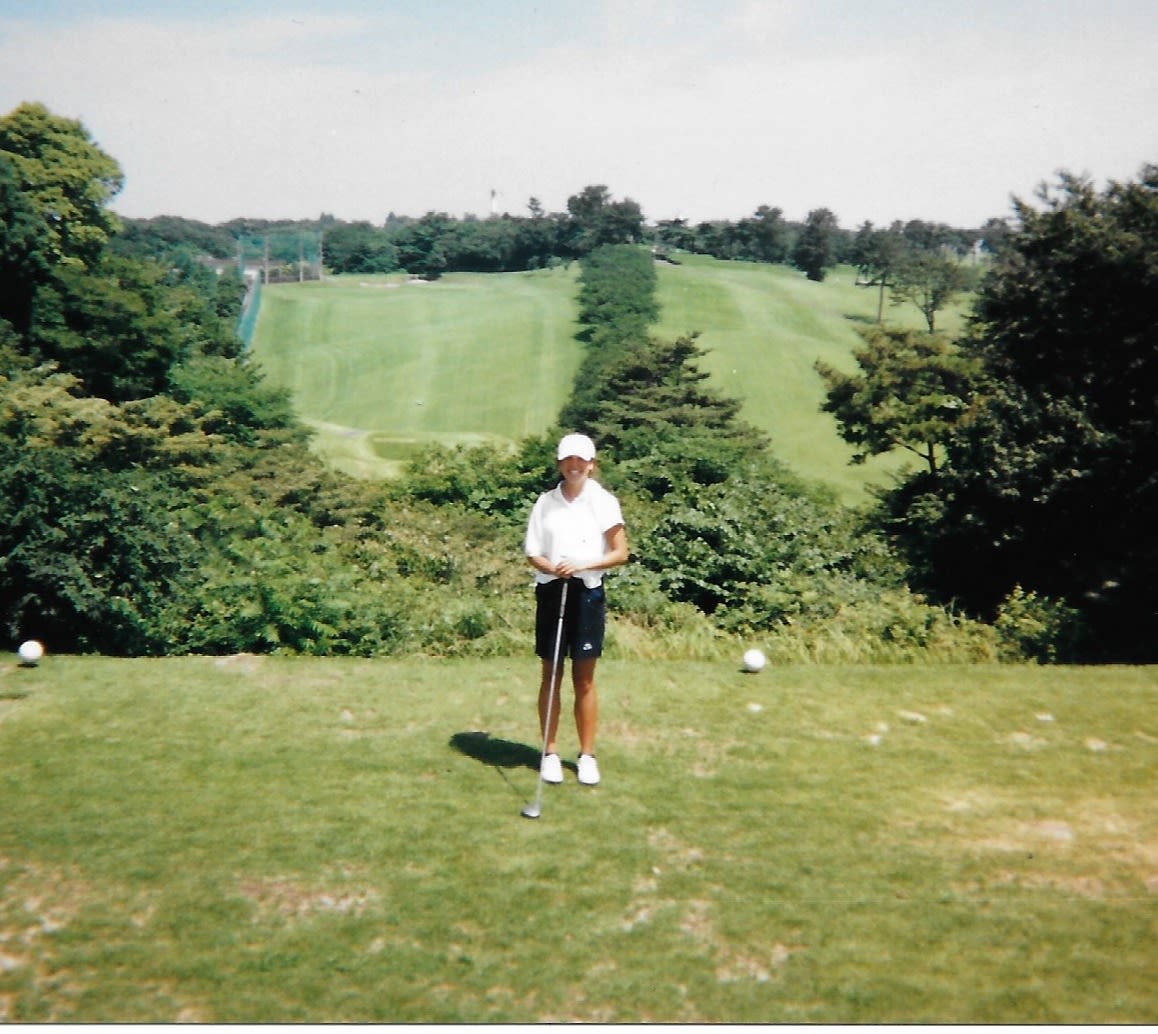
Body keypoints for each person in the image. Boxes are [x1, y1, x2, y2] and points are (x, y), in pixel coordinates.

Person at [524, 433, 628, 786]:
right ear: (559, 464)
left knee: (583, 678)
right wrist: (553, 568)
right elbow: (533, 552)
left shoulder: (604, 502)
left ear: (591, 465)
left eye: (580, 460)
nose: (574, 466)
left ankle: (587, 756)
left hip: (587, 593)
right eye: (568, 460)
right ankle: (549, 753)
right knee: (551, 674)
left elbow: (620, 552)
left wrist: (582, 564)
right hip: (552, 591)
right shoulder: (545, 503)